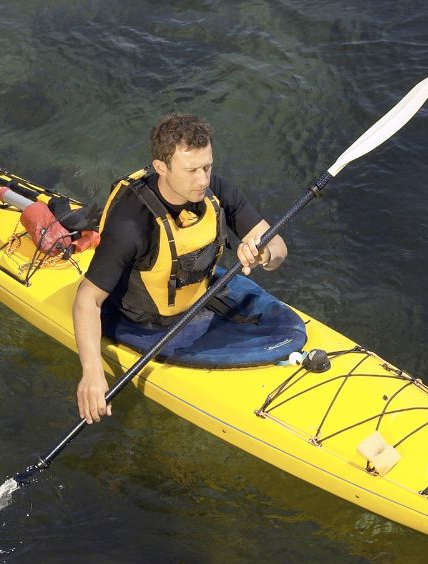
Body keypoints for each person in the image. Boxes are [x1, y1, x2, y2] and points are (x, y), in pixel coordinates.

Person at [72, 113, 288, 424]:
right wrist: (91, 373)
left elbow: (279, 247)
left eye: (207, 166)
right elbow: (86, 301)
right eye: (191, 170)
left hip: (198, 300)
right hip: (146, 323)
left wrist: (261, 254)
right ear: (161, 167)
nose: (202, 179)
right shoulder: (132, 224)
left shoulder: (217, 190)